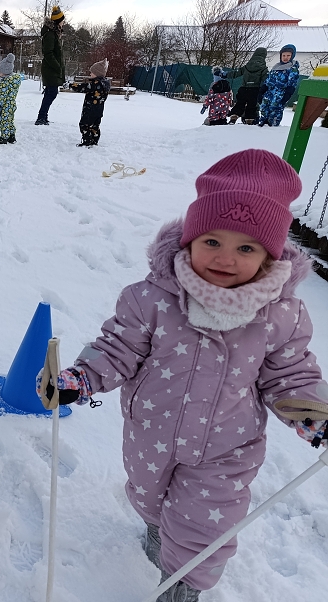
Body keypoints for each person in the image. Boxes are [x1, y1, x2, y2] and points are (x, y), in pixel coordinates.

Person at [39, 149, 328, 601]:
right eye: (212, 241)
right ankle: (158, 536)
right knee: (150, 501)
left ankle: (181, 587)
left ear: (269, 258)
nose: (225, 259)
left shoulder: (280, 315)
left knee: (202, 531)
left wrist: (313, 413)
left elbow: (289, 375)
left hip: (227, 449)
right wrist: (80, 379)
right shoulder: (152, 299)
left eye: (246, 248)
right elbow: (118, 349)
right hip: (150, 433)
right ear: (189, 239)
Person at [35, 5, 65, 126]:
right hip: (50, 69)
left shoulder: (54, 33)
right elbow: (48, 53)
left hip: (52, 68)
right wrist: (57, 66)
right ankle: (41, 117)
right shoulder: (50, 34)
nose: (64, 22)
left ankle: (43, 117)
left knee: (50, 93)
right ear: (58, 21)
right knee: (52, 93)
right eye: (63, 20)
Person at [70, 59, 110, 146]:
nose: (90, 74)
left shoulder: (95, 84)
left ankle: (87, 141)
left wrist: (70, 85)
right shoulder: (105, 84)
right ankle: (94, 141)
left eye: (92, 72)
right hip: (99, 110)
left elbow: (82, 87)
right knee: (95, 126)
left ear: (97, 73)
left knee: (84, 125)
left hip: (90, 109)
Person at [258, 44, 299, 127]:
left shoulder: (292, 69)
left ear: (292, 56)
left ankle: (272, 127)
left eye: (288, 55)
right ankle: (262, 124)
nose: (285, 57)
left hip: (280, 94)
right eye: (283, 55)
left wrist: (286, 96)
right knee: (264, 107)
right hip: (269, 93)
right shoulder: (276, 67)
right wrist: (261, 91)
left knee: (275, 109)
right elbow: (268, 80)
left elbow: (292, 84)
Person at [226, 47, 268, 125]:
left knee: (239, 103)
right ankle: (249, 121)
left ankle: (233, 117)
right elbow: (265, 80)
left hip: (244, 88)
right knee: (252, 106)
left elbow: (237, 73)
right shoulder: (264, 68)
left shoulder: (247, 66)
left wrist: (225, 74)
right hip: (255, 90)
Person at [0, 53, 21, 144]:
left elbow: (2, 95)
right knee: (10, 120)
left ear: (5, 71)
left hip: (5, 105)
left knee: (3, 121)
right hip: (12, 104)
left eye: (0, 71)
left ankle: (4, 137)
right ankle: (11, 135)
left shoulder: (5, 82)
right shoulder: (15, 80)